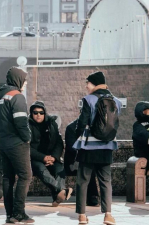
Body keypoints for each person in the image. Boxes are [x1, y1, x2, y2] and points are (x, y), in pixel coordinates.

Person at [73, 71, 121, 225]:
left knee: (83, 181)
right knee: (106, 181)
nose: (86, 86)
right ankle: (108, 214)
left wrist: (77, 136)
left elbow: (82, 123)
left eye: (88, 83)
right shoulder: (116, 101)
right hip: (107, 146)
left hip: (88, 147)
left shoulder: (89, 99)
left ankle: (82, 215)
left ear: (94, 84)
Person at [0, 66, 34, 224]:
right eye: (24, 80)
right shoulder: (17, 97)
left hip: (2, 142)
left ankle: (10, 215)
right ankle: (19, 213)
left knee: (8, 177)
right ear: (18, 80)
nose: (25, 83)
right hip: (17, 143)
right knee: (25, 175)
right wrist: (27, 137)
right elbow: (21, 122)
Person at [28, 101, 72, 207]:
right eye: (35, 112)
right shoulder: (27, 126)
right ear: (31, 113)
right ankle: (61, 191)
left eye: (41, 112)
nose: (38, 115)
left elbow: (59, 143)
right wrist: (43, 158)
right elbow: (26, 147)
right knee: (41, 169)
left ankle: (58, 196)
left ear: (45, 113)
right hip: (35, 159)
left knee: (60, 168)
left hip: (52, 157)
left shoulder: (52, 124)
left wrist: (53, 157)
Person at [64, 120, 100, 207]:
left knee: (90, 164)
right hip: (74, 161)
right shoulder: (71, 127)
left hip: (90, 159)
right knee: (87, 166)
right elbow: (72, 147)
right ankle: (92, 197)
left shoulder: (96, 126)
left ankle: (93, 196)